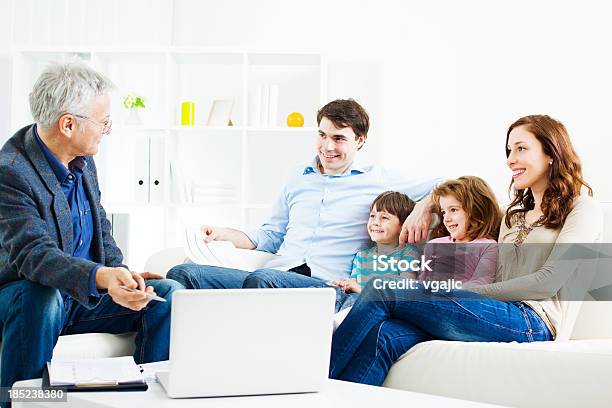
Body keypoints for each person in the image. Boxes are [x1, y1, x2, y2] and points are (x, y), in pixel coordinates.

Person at [329, 114, 602, 386]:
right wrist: (423, 207)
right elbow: (465, 209)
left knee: (382, 288)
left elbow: (548, 282)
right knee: (385, 335)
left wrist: (457, 292)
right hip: (488, 313)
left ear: (551, 152)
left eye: (521, 148)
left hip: (534, 323)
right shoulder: (512, 214)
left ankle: (315, 382)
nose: (510, 160)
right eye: (509, 151)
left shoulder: (583, 209)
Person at [0, 63, 182, 406]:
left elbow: (99, 224)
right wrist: (100, 276)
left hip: (80, 295)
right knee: (42, 296)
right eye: (103, 122)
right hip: (26, 297)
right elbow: (33, 255)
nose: (107, 131)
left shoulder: (82, 158)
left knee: (168, 294)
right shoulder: (11, 172)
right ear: (68, 124)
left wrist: (121, 274)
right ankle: (21, 402)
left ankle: (141, 399)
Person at [167, 99, 440, 294]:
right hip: (278, 273)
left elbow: (446, 184)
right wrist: (224, 234)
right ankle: (153, 373)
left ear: (360, 140)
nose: (327, 146)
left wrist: (423, 208)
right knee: (183, 274)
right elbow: (271, 235)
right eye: (322, 135)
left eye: (338, 138)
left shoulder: (377, 178)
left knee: (263, 281)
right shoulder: (298, 177)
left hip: (324, 286)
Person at [332, 191, 420, 299]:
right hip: (354, 302)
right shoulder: (361, 256)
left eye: (384, 218)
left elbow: (404, 293)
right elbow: (352, 284)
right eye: (372, 216)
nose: (375, 222)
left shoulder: (408, 253)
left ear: (403, 226)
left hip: (381, 308)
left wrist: (359, 290)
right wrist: (343, 285)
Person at [417, 176, 500, 286]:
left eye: (453, 210)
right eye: (443, 212)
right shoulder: (433, 245)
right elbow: (421, 279)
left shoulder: (488, 246)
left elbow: (481, 283)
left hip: (453, 299)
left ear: (475, 211)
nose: (446, 219)